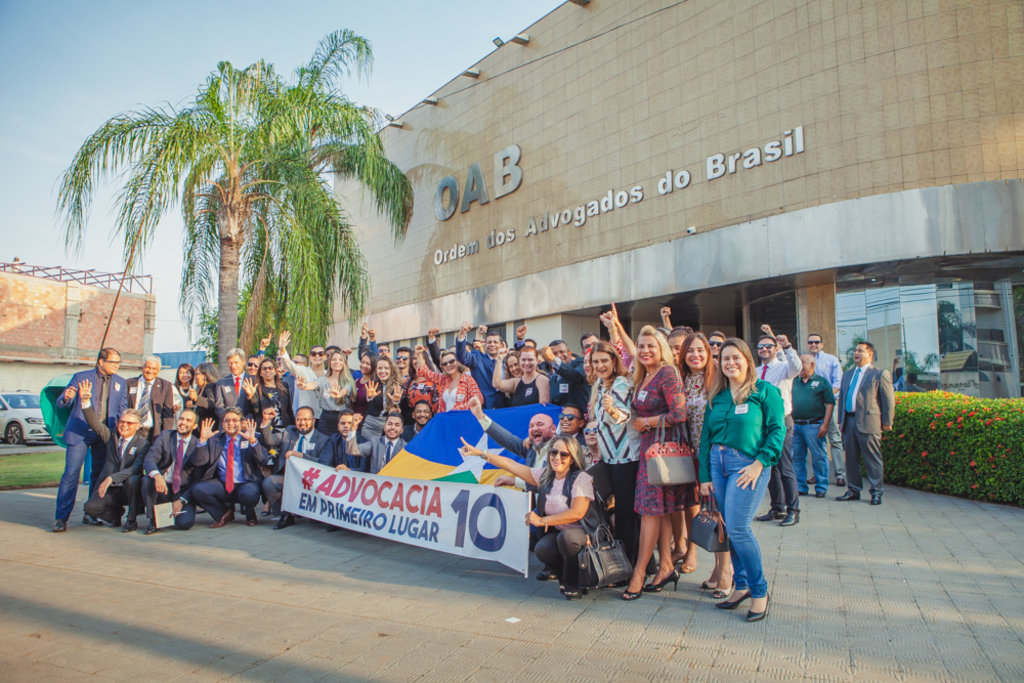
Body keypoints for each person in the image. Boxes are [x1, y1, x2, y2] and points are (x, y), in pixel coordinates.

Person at [698, 338, 784, 622]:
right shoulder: (718, 396)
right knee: (730, 527)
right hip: (718, 464)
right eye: (725, 359)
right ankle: (742, 585)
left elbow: (776, 432)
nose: (731, 363)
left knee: (738, 528)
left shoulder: (765, 392)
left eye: (736, 357)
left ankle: (760, 591)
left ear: (748, 360)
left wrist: (759, 464)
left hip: (747, 466)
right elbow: (705, 439)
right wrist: (705, 477)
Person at [460, 434, 597, 600]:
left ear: (573, 458)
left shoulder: (580, 478)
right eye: (553, 452)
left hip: (584, 533)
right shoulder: (545, 476)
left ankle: (575, 583)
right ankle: (564, 578)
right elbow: (511, 465)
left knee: (567, 539)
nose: (557, 458)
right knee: (542, 549)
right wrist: (480, 453)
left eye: (564, 454)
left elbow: (577, 513)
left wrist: (541, 521)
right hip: (560, 533)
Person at [622, 326, 688, 601]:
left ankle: (639, 572)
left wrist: (646, 422)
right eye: (641, 346)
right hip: (647, 450)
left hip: (664, 451)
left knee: (650, 511)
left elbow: (680, 414)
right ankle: (665, 567)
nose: (646, 350)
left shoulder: (667, 373)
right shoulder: (642, 375)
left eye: (651, 345)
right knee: (656, 511)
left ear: (661, 347)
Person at [53, 347, 129, 532]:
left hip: (103, 434)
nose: (117, 366)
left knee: (97, 475)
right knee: (71, 474)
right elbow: (63, 401)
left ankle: (91, 513)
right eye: (113, 362)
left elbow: (122, 408)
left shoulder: (120, 382)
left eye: (119, 362)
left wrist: (121, 433)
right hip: (80, 432)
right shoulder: (81, 377)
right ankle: (61, 518)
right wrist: (67, 397)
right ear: (100, 362)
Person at [678, 332, 730, 586]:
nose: (695, 355)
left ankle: (725, 572)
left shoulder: (718, 379)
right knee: (707, 512)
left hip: (715, 457)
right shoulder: (683, 380)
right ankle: (718, 569)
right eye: (690, 350)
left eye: (700, 350)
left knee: (719, 512)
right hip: (692, 458)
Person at [588, 341, 640, 568]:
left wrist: (611, 410)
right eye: (596, 361)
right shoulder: (600, 384)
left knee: (625, 514)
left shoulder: (621, 382)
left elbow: (622, 417)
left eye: (604, 361)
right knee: (613, 511)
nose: (600, 365)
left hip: (625, 458)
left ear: (614, 361)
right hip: (608, 458)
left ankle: (631, 564)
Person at [77, 379, 150, 531]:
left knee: (134, 480)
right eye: (122, 422)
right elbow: (95, 424)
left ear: (137, 426)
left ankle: (131, 520)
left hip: (129, 489)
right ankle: (115, 515)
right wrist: (85, 402)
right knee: (90, 507)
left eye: (129, 423)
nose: (124, 425)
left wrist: (112, 478)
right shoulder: (111, 437)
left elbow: (135, 469)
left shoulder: (142, 444)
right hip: (111, 489)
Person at [836, 341, 895, 505]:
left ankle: (876, 492)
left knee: (872, 459)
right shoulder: (848, 374)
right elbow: (842, 399)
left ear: (870, 354)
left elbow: (888, 401)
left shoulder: (879, 374)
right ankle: (853, 489)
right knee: (851, 459)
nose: (856, 353)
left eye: (860, 351)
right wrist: (841, 420)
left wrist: (887, 422)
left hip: (869, 422)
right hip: (849, 421)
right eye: (855, 350)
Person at [753, 329, 802, 527]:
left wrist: (788, 347)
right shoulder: (756, 372)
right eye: (761, 347)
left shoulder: (784, 368)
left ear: (776, 349)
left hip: (781, 421)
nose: (764, 350)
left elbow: (797, 367)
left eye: (768, 346)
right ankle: (777, 507)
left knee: (785, 466)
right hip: (762, 424)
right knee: (770, 467)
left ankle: (794, 509)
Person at [190, 409, 269, 528]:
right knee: (198, 489)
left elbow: (263, 460)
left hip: (245, 483)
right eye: (227, 420)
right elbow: (199, 462)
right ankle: (224, 514)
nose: (230, 423)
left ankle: (250, 513)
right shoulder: (215, 439)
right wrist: (202, 442)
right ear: (222, 424)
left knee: (250, 494)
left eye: (234, 420)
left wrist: (253, 441)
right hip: (223, 484)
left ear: (242, 423)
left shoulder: (251, 437)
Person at [265, 406, 331, 529]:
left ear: (313, 421)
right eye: (298, 419)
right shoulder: (289, 432)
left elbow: (323, 462)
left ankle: (314, 514)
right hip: (290, 478)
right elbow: (269, 440)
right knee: (269, 482)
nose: (302, 423)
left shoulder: (323, 439)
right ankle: (286, 514)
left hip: (313, 482)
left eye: (306, 419)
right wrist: (265, 422)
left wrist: (300, 456)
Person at [140, 408, 200, 534]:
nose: (183, 422)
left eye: (188, 420)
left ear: (194, 426)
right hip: (163, 486)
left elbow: (197, 479)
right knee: (147, 480)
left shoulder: (197, 445)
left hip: (182, 491)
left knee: (184, 524)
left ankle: (168, 512)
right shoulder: (165, 436)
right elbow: (149, 459)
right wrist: (157, 476)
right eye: (181, 419)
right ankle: (153, 520)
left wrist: (182, 500)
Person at [790, 355, 836, 498]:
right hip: (795, 425)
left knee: (819, 457)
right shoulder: (793, 382)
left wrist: (825, 424)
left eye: (802, 363)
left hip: (814, 425)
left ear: (812, 365)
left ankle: (821, 487)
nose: (800, 365)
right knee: (797, 457)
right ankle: (800, 487)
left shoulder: (821, 382)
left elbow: (830, 403)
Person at [806, 332, 846, 487]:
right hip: (813, 407)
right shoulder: (805, 360)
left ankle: (840, 475)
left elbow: (838, 383)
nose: (813, 345)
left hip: (830, 404)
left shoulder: (831, 360)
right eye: (811, 342)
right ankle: (817, 474)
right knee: (815, 441)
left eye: (816, 342)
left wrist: (826, 396)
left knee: (835, 439)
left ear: (822, 344)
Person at [454, 322, 507, 408]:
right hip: (483, 408)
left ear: (502, 345)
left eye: (495, 342)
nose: (492, 345)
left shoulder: (507, 361)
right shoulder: (478, 357)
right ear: (485, 344)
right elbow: (462, 357)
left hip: (505, 407)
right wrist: (461, 335)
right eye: (489, 342)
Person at [414, 347, 483, 412]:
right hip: (445, 420)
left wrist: (458, 409)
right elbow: (426, 372)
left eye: (451, 361)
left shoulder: (468, 380)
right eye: (444, 364)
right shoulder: (444, 379)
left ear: (458, 362)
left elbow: (479, 400)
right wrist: (418, 354)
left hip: (463, 420)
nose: (448, 365)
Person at [126, 355, 175, 442]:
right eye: (148, 367)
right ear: (142, 368)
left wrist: (166, 436)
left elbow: (167, 414)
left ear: (159, 370)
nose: (150, 371)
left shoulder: (166, 386)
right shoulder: (129, 383)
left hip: (152, 432)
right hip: (131, 430)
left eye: (154, 369)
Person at [277, 331, 323, 420]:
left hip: (318, 418)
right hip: (298, 419)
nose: (317, 356)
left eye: (320, 354)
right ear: (310, 357)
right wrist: (282, 350)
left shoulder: (327, 374)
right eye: (313, 354)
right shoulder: (302, 371)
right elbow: (288, 364)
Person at [239, 357, 295, 429]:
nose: (267, 370)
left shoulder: (284, 386)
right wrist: (251, 396)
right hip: (266, 430)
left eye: (270, 368)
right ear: (260, 373)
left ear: (275, 371)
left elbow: (289, 410)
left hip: (285, 429)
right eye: (264, 369)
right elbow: (255, 410)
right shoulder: (255, 388)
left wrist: (294, 427)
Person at [309, 350, 355, 436]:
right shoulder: (323, 380)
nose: (337, 362)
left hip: (342, 419)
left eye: (340, 360)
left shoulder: (348, 381)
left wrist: (338, 395)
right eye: (334, 359)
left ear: (344, 363)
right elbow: (313, 384)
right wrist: (304, 386)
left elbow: (345, 390)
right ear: (330, 362)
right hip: (325, 419)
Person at [539, 340, 590, 408]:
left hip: (576, 416)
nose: (559, 356)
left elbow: (576, 376)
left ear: (569, 353)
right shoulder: (553, 374)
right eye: (554, 353)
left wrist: (554, 360)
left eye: (562, 352)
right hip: (559, 416)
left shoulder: (580, 364)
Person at [214, 347, 248, 419]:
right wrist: (228, 418)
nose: (233, 366)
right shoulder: (221, 383)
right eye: (230, 363)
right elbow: (219, 407)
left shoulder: (253, 380)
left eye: (236, 362)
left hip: (247, 424)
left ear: (243, 362)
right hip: (228, 424)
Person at [192, 362, 220, 427]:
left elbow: (211, 403)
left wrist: (196, 398)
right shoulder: (198, 389)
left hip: (209, 426)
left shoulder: (211, 387)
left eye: (197, 374)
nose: (195, 377)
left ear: (205, 375)